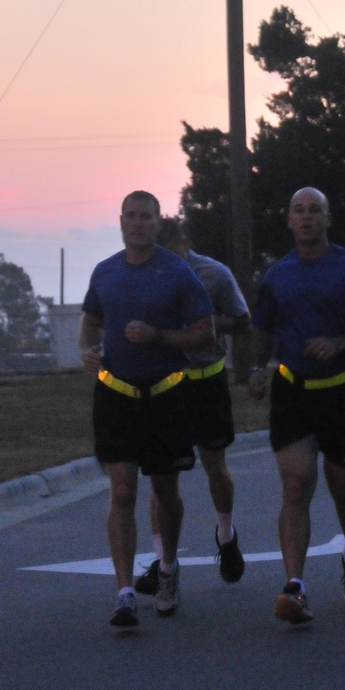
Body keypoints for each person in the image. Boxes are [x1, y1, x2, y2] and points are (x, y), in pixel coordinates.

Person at [249, 188, 345, 623]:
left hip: (344, 389)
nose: (306, 218)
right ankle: (295, 587)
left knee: (343, 487)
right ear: (289, 221)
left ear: (328, 220)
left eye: (315, 212)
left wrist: (340, 342)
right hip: (293, 389)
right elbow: (264, 329)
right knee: (296, 485)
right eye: (299, 212)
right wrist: (256, 367)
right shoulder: (277, 275)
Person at [79, 191, 215, 627]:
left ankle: (168, 569)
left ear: (158, 223)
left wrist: (158, 336)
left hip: (166, 393)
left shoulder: (177, 273)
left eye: (146, 217)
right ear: (120, 222)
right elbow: (90, 320)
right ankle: (123, 593)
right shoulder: (105, 272)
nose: (137, 224)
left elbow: (205, 335)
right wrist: (87, 350)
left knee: (165, 492)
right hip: (116, 394)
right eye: (131, 217)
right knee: (122, 492)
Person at [134, 217, 250, 595]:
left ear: (185, 242)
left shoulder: (213, 274)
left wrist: (209, 322)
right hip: (166, 386)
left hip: (206, 381)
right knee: (161, 477)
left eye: (173, 250)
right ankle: (161, 560)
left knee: (215, 465)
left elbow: (243, 320)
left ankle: (226, 535)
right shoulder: (148, 277)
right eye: (159, 253)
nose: (168, 259)